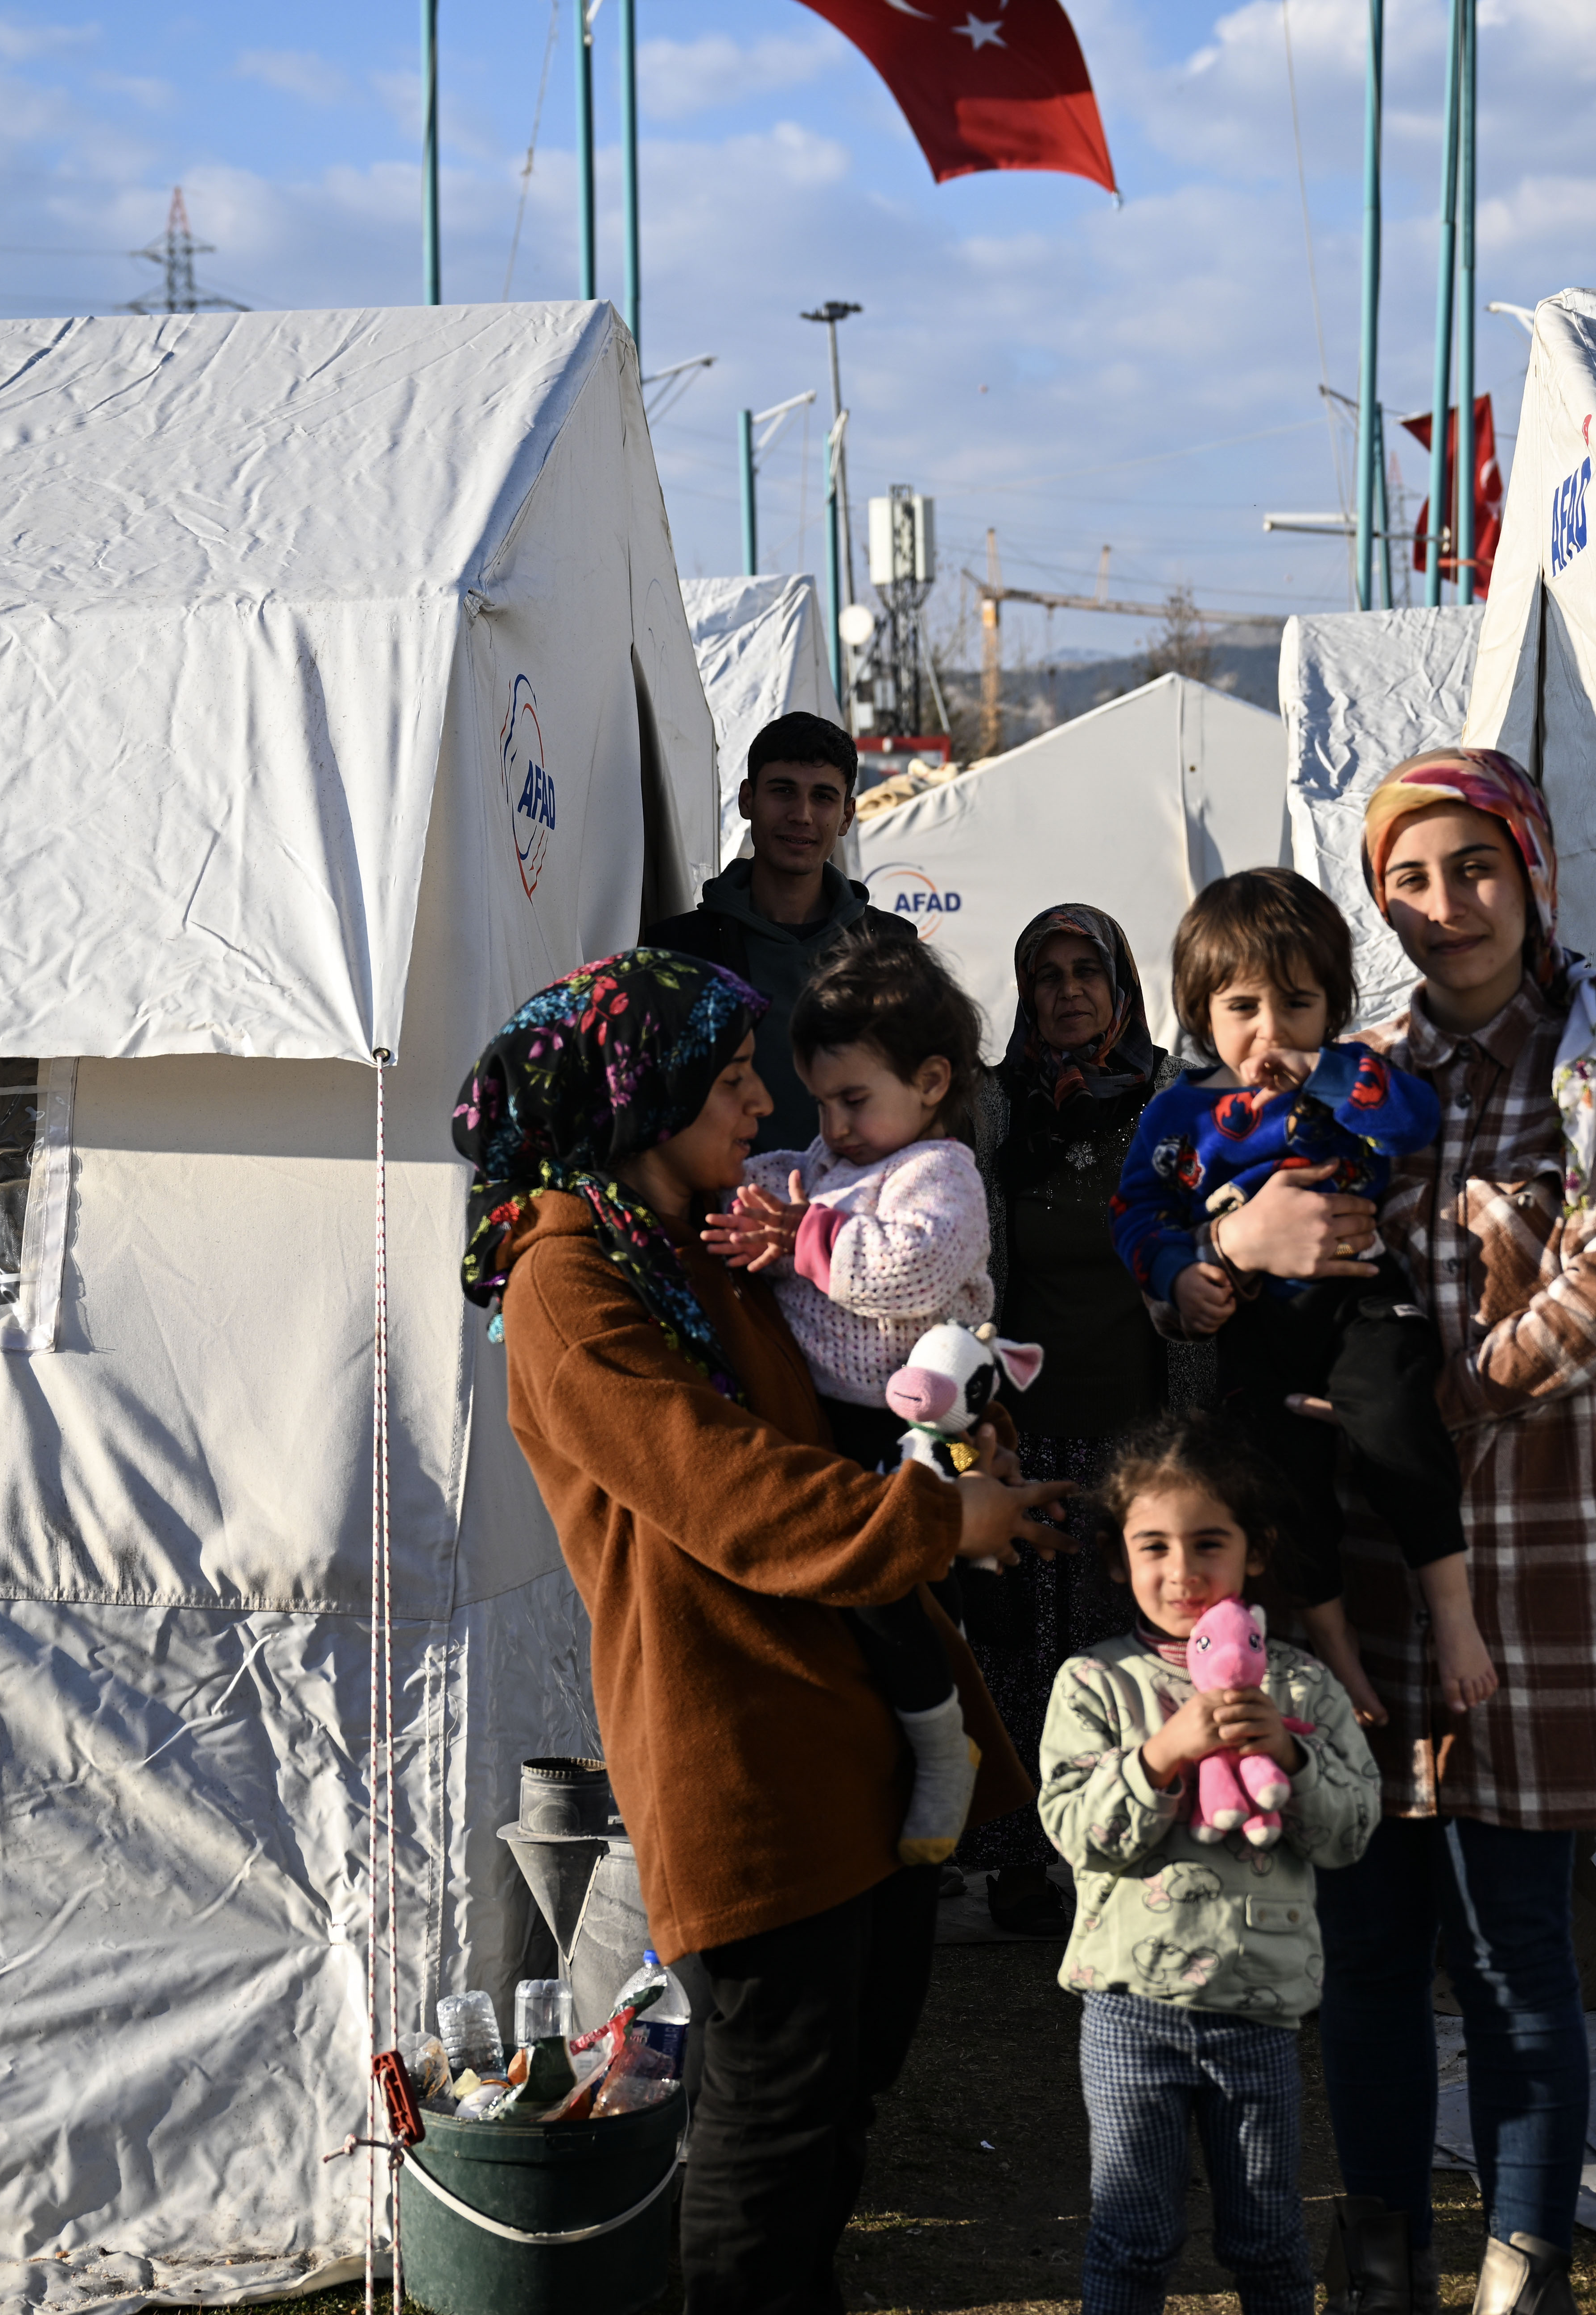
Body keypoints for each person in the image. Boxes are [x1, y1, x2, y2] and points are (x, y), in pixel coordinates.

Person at [452, 946, 1067, 2314]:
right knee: (767, 2132)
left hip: (844, 1732)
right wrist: (937, 1528)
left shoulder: (690, 1249)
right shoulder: (573, 1284)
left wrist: (959, 1435)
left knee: (832, 2110)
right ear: (638, 1095)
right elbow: (736, 1495)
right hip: (740, 1749)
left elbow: (853, 1389)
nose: (758, 1106)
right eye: (729, 1081)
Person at [1220, 752, 1596, 2315]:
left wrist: (1434, 1394)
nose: (1438, 907)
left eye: (1468, 870)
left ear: (1528, 869)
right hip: (1358, 1579)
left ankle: (1522, 2258)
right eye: (1405, 880)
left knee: (1515, 1960)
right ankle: (1379, 2254)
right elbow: (1214, 1202)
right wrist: (1232, 1239)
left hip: (1535, 1568)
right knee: (1363, 1952)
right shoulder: (1351, 1069)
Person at [1109, 869, 1481, 1727]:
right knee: (1283, 1483)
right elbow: (1137, 1214)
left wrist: (1323, 1071)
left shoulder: (1352, 1081)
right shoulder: (1176, 1114)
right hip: (1259, 1324)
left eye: (1298, 1005)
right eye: (1242, 1007)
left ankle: (1454, 1615)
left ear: (1333, 1006)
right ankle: (1337, 1649)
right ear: (1201, 1011)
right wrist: (1179, 1273)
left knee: (1398, 1422)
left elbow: (1412, 1123)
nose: (1269, 1030)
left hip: (1359, 1298)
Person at [1039, 1412, 1380, 2315]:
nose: (1182, 1570)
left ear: (1255, 1552)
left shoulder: (1302, 1688)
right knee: (1131, 2232)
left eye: (1208, 1543)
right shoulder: (1094, 1685)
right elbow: (1075, 1829)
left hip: (1259, 2010)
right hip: (1128, 2011)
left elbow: (1353, 1831)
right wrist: (1160, 1756)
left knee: (1270, 2238)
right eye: (1153, 1545)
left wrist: (1296, 1762)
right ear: (1119, 1558)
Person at [703, 934, 1002, 1866]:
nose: (832, 1125)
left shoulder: (941, 1174)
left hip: (918, 1427)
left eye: (854, 1100)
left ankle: (942, 1745)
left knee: (891, 1598)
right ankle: (879, 1764)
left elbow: (908, 1267)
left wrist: (802, 1237)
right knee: (837, 1608)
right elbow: (745, 1190)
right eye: (822, 1101)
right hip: (826, 1422)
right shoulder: (822, 1171)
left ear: (932, 1080)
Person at [962, 905, 1184, 1935]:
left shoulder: (1168, 1101)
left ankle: (1116, 1852)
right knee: (1016, 1654)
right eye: (1044, 973)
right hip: (1018, 1431)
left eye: (1085, 970)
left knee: (1122, 1653)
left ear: (1121, 986)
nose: (1065, 991)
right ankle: (1014, 1869)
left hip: (1135, 1436)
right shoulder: (997, 1107)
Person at [645, 711, 914, 1152]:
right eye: (783, 790)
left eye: (823, 796)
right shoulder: (677, 950)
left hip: (856, 1209)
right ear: (747, 799)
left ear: (847, 816)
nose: (802, 814)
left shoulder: (893, 948)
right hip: (721, 1211)